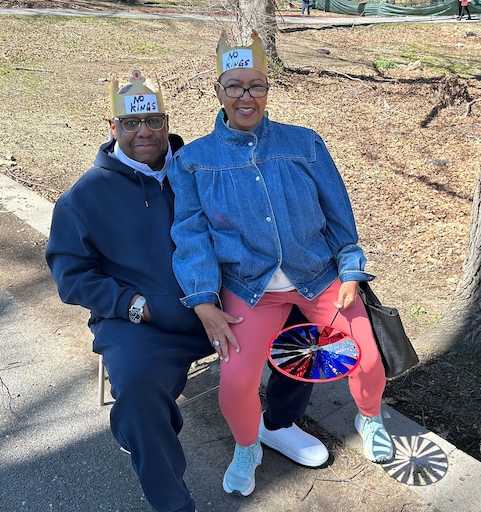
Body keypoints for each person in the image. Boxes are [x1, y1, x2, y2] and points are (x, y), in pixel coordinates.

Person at [45, 69, 328, 512]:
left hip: (230, 299)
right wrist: (134, 307)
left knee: (304, 327)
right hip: (146, 321)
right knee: (139, 393)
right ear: (112, 127)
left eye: (154, 120)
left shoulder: (204, 164)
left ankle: (278, 423)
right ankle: (169, 496)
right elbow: (71, 274)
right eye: (131, 123)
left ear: (167, 120)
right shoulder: (83, 198)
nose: (144, 132)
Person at [166, 32, 395, 498]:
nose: (246, 97)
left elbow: (339, 215)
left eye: (256, 86)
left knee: (367, 359)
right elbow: (191, 236)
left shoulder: (305, 144)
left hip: (320, 278)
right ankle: (248, 446)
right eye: (235, 86)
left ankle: (368, 418)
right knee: (235, 383)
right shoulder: (192, 161)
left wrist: (350, 270)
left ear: (268, 90)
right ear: (218, 91)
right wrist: (203, 300)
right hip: (248, 288)